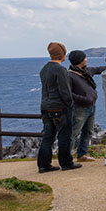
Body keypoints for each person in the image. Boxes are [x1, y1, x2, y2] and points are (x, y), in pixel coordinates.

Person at [38, 42, 82, 173]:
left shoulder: (44, 69)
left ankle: (43, 164)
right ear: (62, 54)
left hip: (45, 106)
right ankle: (66, 162)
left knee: (48, 136)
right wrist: (70, 104)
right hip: (59, 107)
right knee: (64, 135)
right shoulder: (61, 70)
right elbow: (65, 91)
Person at [67, 50, 106, 161]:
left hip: (91, 107)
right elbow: (68, 94)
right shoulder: (70, 75)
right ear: (80, 60)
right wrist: (85, 99)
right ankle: (66, 157)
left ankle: (81, 155)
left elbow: (99, 69)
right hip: (79, 108)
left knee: (88, 131)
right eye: (85, 57)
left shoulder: (86, 71)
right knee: (74, 133)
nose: (86, 59)